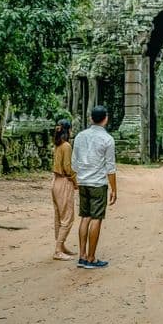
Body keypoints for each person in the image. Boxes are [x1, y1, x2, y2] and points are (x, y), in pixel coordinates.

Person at [71, 105, 117, 269]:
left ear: (91, 118)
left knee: (85, 217)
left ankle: (82, 256)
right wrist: (114, 189)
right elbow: (110, 167)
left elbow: (74, 163)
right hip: (98, 183)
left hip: (83, 182)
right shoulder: (107, 139)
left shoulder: (80, 136)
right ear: (106, 119)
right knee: (96, 218)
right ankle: (91, 258)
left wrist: (78, 177)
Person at [51, 119, 77, 261]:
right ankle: (58, 250)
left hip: (55, 181)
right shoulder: (66, 146)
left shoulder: (57, 144)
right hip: (63, 182)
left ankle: (61, 246)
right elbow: (67, 167)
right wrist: (75, 181)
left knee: (59, 216)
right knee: (67, 217)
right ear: (69, 130)